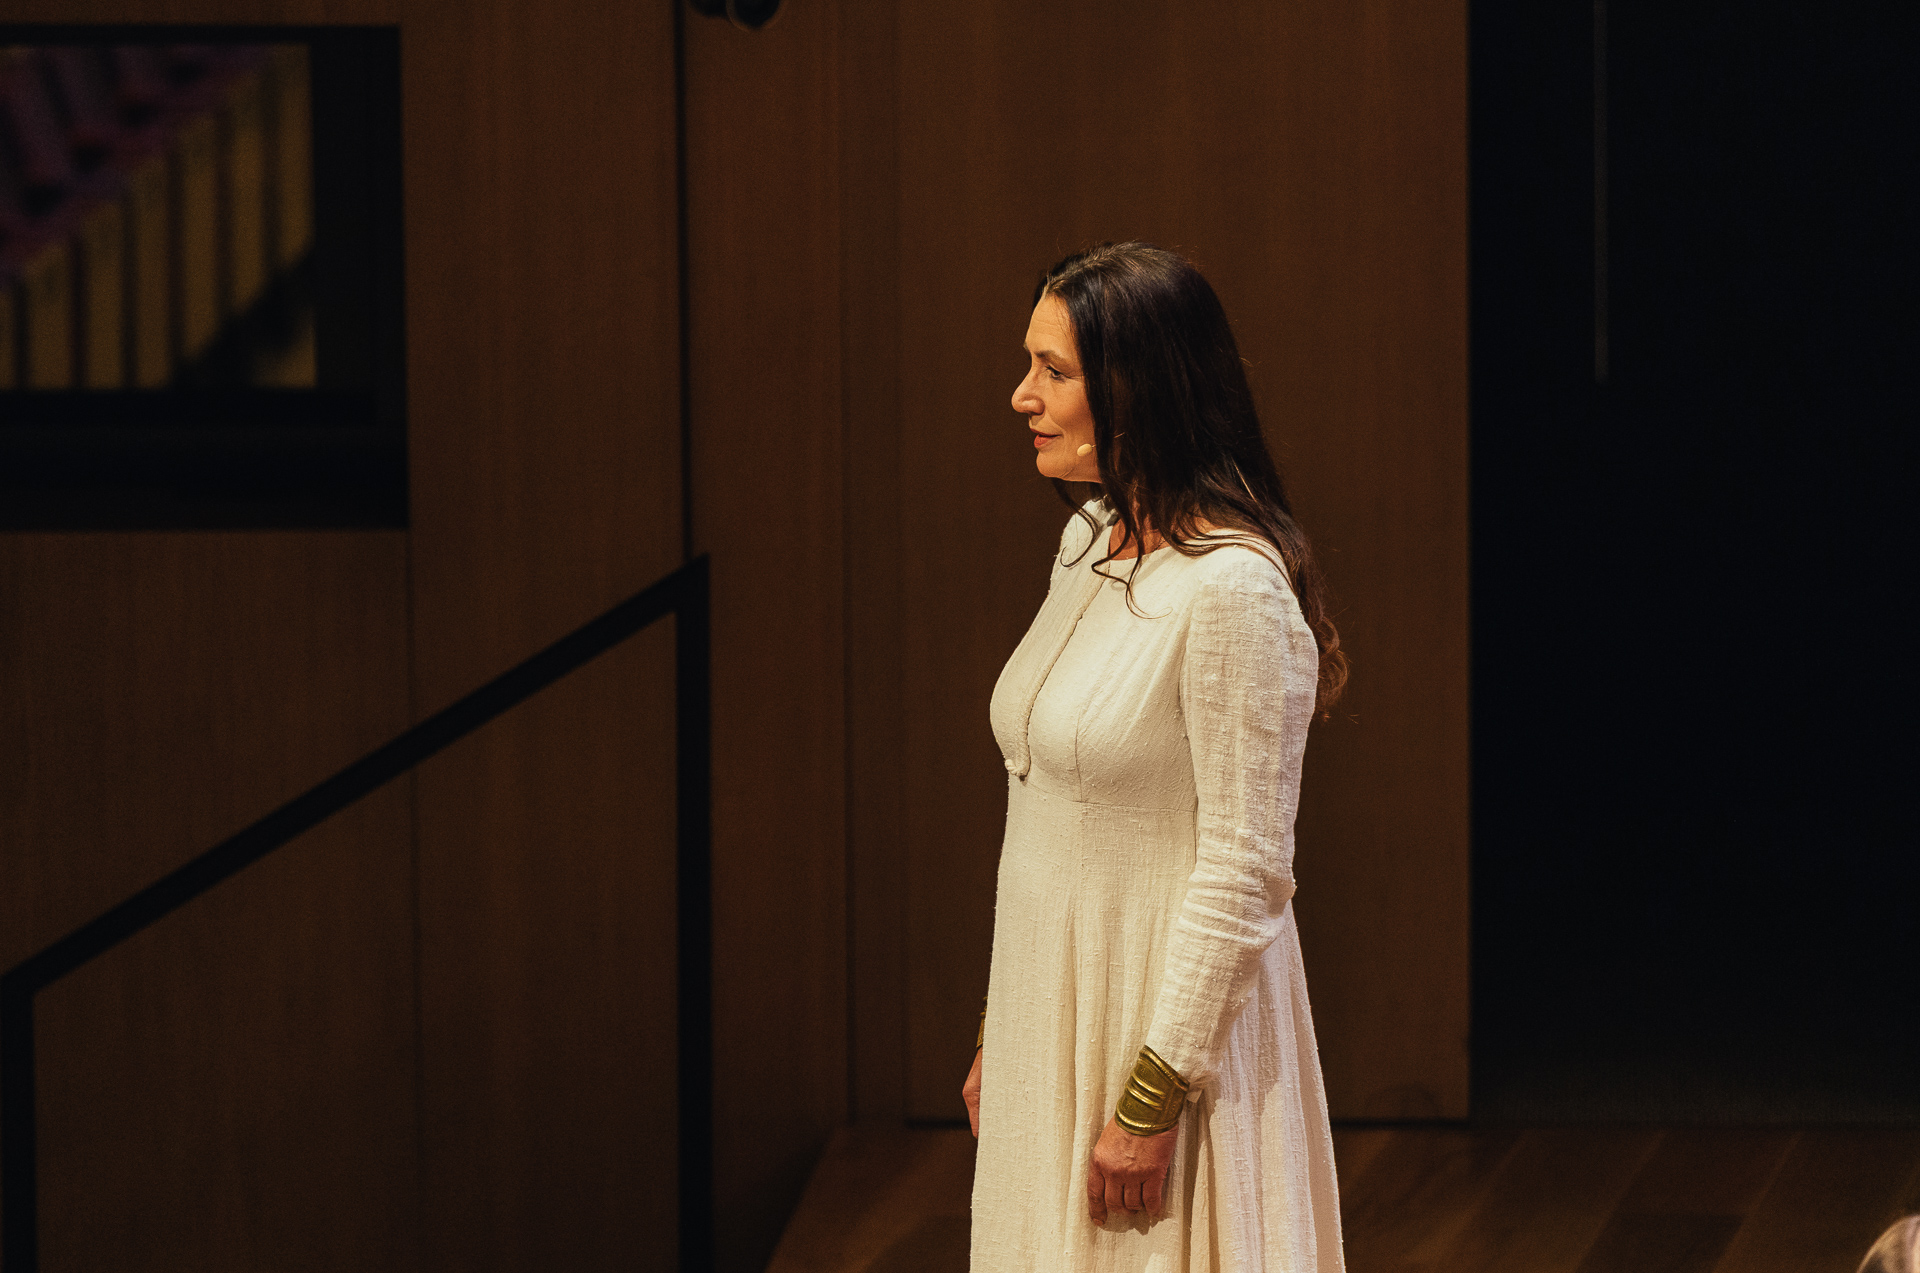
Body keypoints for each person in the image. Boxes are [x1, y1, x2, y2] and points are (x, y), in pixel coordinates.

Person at [961, 242, 1348, 1272]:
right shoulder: (1088, 542)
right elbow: (1045, 819)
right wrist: (1005, 1025)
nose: (1021, 396)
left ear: (1136, 391)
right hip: (1056, 1012)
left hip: (1165, 1038)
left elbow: (1245, 868)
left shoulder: (1232, 592)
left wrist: (1153, 1092)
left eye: (1052, 370)